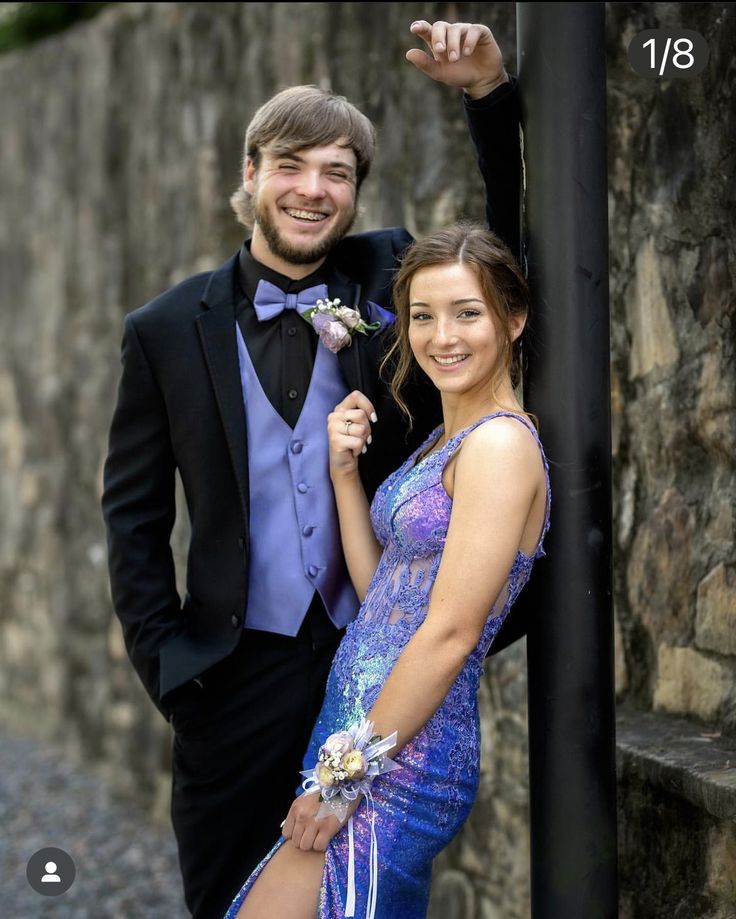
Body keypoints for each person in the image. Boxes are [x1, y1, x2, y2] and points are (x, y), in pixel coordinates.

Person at [101, 19, 521, 919]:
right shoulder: (165, 330)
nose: (313, 189)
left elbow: (509, 268)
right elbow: (131, 518)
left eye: (338, 171)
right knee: (228, 899)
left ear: (356, 193)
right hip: (233, 675)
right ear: (250, 177)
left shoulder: (389, 277)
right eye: (291, 165)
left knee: (362, 899)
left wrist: (488, 95)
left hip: (372, 670)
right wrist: (172, 669)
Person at [225, 223, 550, 919]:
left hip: (402, 752)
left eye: (468, 313)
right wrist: (344, 475)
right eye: (423, 316)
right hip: (357, 729)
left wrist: (344, 779)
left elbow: (452, 633)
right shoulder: (446, 439)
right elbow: (384, 603)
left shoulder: (499, 447)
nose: (443, 337)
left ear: (513, 319)